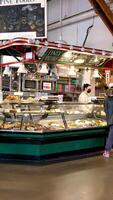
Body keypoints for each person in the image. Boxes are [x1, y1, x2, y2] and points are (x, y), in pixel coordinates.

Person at [103, 88, 113, 158]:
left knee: (110, 135)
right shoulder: (107, 99)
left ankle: (107, 150)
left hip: (110, 120)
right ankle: (107, 151)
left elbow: (105, 110)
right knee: (111, 136)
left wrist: (108, 120)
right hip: (111, 120)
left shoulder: (106, 99)